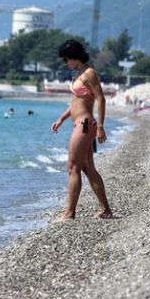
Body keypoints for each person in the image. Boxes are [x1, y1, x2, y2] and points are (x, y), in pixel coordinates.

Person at [51, 39, 112, 220]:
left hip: (85, 125)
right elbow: (76, 103)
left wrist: (100, 126)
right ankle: (105, 210)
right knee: (87, 168)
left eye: (66, 59)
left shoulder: (89, 73)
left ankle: (69, 213)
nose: (65, 63)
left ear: (74, 56)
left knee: (73, 167)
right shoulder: (78, 75)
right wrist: (61, 119)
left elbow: (101, 99)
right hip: (79, 124)